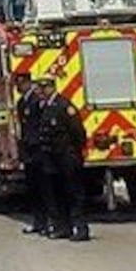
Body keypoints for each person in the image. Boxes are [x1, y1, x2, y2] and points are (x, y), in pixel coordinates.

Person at [37, 76, 90, 241]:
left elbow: (77, 132)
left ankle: (81, 228)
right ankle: (63, 227)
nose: (40, 92)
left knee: (74, 194)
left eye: (42, 88)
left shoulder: (64, 106)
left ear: (50, 88)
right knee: (58, 194)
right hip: (53, 159)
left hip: (67, 157)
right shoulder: (46, 106)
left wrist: (74, 152)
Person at [17, 76, 52, 237]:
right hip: (30, 152)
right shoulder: (22, 102)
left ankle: (48, 223)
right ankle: (39, 222)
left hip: (39, 151)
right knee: (34, 190)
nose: (19, 86)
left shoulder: (36, 102)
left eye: (22, 83)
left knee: (46, 189)